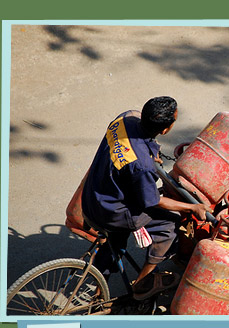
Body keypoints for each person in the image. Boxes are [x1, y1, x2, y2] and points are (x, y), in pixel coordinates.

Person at [81, 96, 210, 300]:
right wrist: (192, 208)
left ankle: (99, 291)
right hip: (110, 212)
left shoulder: (123, 120)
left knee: (117, 237)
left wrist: (150, 153)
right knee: (169, 224)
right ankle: (141, 284)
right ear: (165, 129)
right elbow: (153, 201)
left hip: (92, 196)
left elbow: (133, 145)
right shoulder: (142, 166)